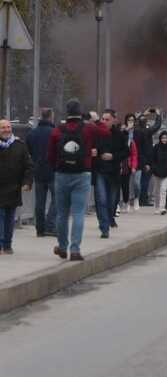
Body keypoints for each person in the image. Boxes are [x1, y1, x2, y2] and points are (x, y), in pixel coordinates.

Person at [47, 100, 97, 260]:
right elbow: (107, 132)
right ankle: (75, 250)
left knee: (62, 214)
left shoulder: (57, 130)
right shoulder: (88, 128)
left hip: (61, 174)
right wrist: (94, 120)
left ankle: (62, 246)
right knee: (78, 214)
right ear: (80, 112)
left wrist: (58, 166)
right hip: (82, 174)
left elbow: (50, 156)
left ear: (66, 112)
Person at [92, 110, 129, 238]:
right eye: (103, 119)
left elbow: (126, 152)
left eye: (107, 119)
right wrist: (94, 152)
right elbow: (90, 147)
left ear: (114, 120)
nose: (104, 121)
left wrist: (113, 156)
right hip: (100, 170)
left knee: (112, 201)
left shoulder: (119, 135)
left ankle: (109, 219)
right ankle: (104, 227)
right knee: (101, 199)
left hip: (113, 172)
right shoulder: (97, 134)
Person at [0, 119, 33, 254]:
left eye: (8, 127)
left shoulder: (20, 145)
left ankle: (7, 244)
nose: (7, 129)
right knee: (1, 215)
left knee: (9, 216)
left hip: (14, 187)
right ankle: (1, 244)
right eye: (3, 127)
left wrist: (27, 182)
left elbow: (29, 166)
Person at [26, 108, 57, 237]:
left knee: (40, 201)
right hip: (53, 170)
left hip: (38, 170)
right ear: (50, 117)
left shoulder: (32, 134)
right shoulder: (55, 133)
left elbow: (29, 152)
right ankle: (50, 225)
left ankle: (40, 228)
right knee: (58, 198)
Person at [150, 131, 167, 214]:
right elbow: (152, 159)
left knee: (163, 189)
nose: (164, 140)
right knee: (157, 190)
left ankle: (162, 207)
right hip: (157, 172)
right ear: (160, 138)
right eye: (163, 138)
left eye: (166, 138)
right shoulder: (156, 147)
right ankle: (157, 207)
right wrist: (153, 168)